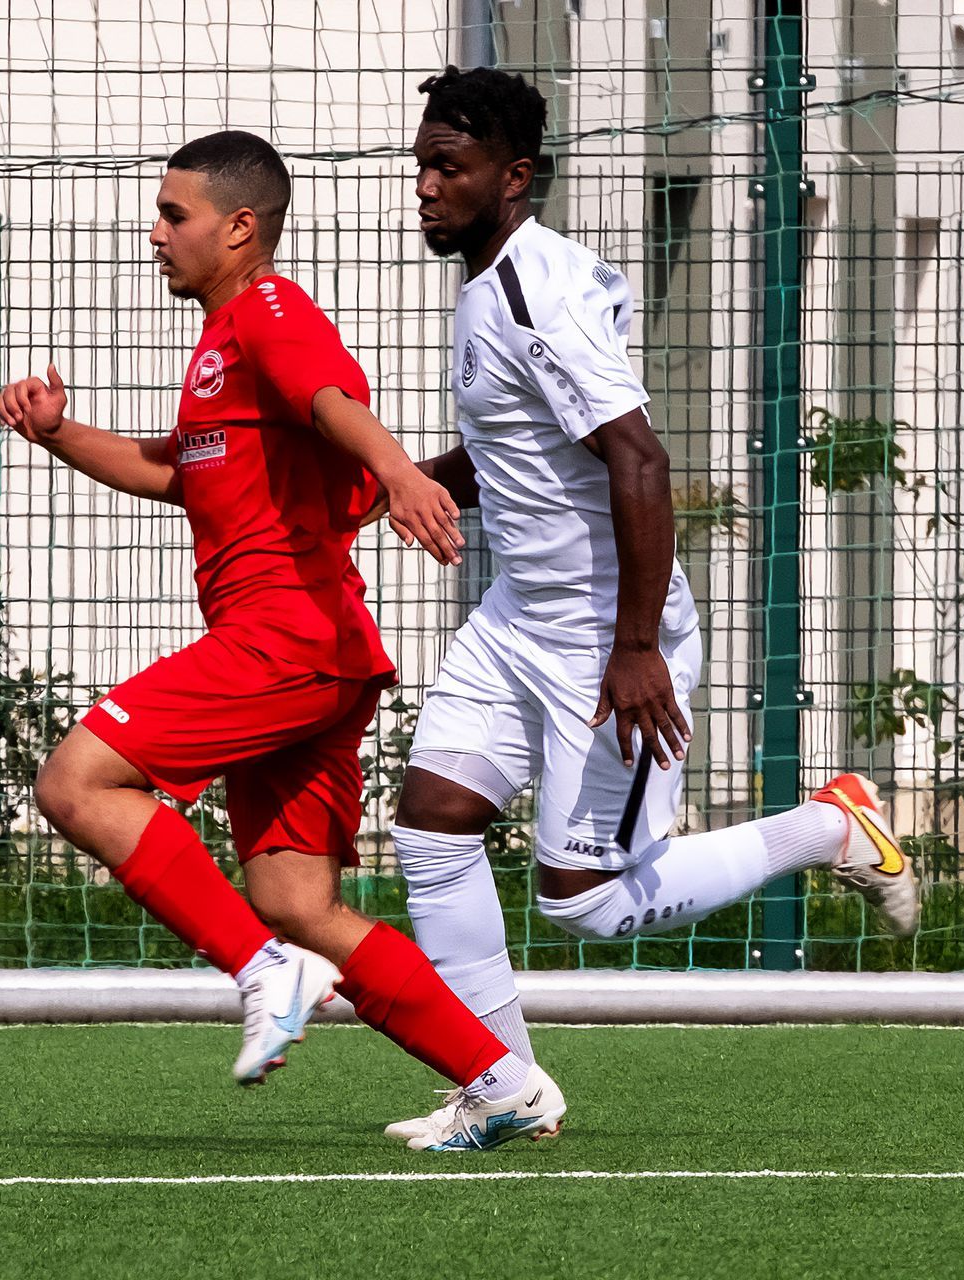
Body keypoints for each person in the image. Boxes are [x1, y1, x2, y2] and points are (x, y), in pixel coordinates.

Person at [380, 66, 920, 1145]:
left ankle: (828, 826)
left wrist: (636, 648)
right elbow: (524, 451)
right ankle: (502, 1086)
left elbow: (639, 459)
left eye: (450, 166)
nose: (428, 186)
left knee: (581, 900)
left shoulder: (535, 291)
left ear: (513, 176)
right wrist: (402, 480)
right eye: (422, 164)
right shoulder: (489, 286)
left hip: (604, 636)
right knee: (433, 827)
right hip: (516, 618)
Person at [0, 128, 562, 1151]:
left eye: (174, 214)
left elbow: (330, 397)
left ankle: (263, 971)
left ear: (239, 227)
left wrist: (399, 473)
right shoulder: (219, 346)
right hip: (316, 653)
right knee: (295, 899)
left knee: (76, 783)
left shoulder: (268, 311)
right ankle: (503, 1080)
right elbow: (175, 470)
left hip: (284, 640)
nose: (155, 232)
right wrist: (58, 432)